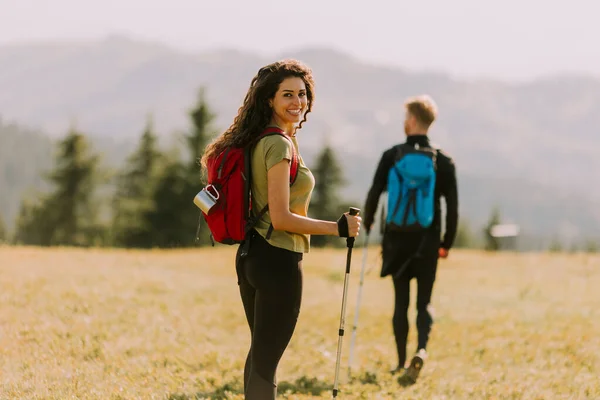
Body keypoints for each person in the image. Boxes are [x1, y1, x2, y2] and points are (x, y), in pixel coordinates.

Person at [200, 59, 361, 399]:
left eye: (302, 94)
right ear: (269, 100)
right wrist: (338, 228)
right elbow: (282, 218)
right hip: (278, 260)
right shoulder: (278, 145)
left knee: (260, 355)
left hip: (251, 257)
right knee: (266, 362)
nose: (297, 102)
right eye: (287, 94)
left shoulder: (259, 140)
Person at [362, 94, 458, 385]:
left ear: (413, 120)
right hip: (428, 241)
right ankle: (422, 350)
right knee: (424, 303)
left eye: (406, 118)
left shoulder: (392, 155)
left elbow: (375, 192)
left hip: (397, 239)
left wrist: (367, 223)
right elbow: (452, 206)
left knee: (400, 302)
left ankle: (401, 360)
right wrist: (446, 243)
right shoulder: (442, 160)